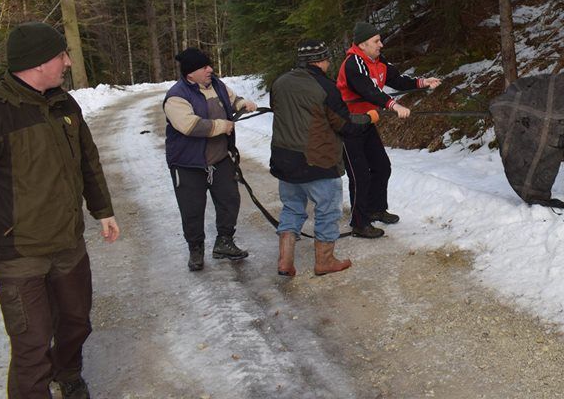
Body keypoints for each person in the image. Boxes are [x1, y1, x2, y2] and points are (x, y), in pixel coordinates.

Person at [0, 21, 120, 399]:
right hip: (17, 255)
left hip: (68, 244)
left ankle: (68, 372)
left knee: (75, 323)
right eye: (61, 55)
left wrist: (103, 210)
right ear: (38, 63)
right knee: (32, 347)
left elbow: (88, 160)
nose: (68, 62)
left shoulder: (63, 103)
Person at [269, 40, 376, 276]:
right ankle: (325, 261)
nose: (328, 63)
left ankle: (285, 260)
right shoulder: (325, 86)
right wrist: (369, 118)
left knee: (292, 207)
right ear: (319, 60)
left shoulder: (279, 82)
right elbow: (345, 124)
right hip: (317, 160)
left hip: (284, 158)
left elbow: (279, 109)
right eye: (327, 59)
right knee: (328, 209)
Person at [336, 22, 441, 238]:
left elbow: (397, 79)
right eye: (376, 41)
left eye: (380, 40)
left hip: (367, 122)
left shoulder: (378, 60)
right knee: (359, 175)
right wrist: (394, 106)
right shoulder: (353, 64)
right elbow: (369, 91)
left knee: (382, 166)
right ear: (363, 44)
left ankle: (376, 209)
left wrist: (423, 82)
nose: (381, 44)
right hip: (348, 124)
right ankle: (359, 222)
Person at [163, 47, 256, 272]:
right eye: (204, 67)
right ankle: (195, 249)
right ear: (190, 73)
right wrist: (221, 126)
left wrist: (243, 104)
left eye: (209, 65)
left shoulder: (217, 85)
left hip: (219, 158)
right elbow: (189, 125)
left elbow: (232, 100)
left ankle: (224, 242)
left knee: (229, 200)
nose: (210, 69)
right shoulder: (176, 96)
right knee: (192, 208)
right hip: (188, 163)